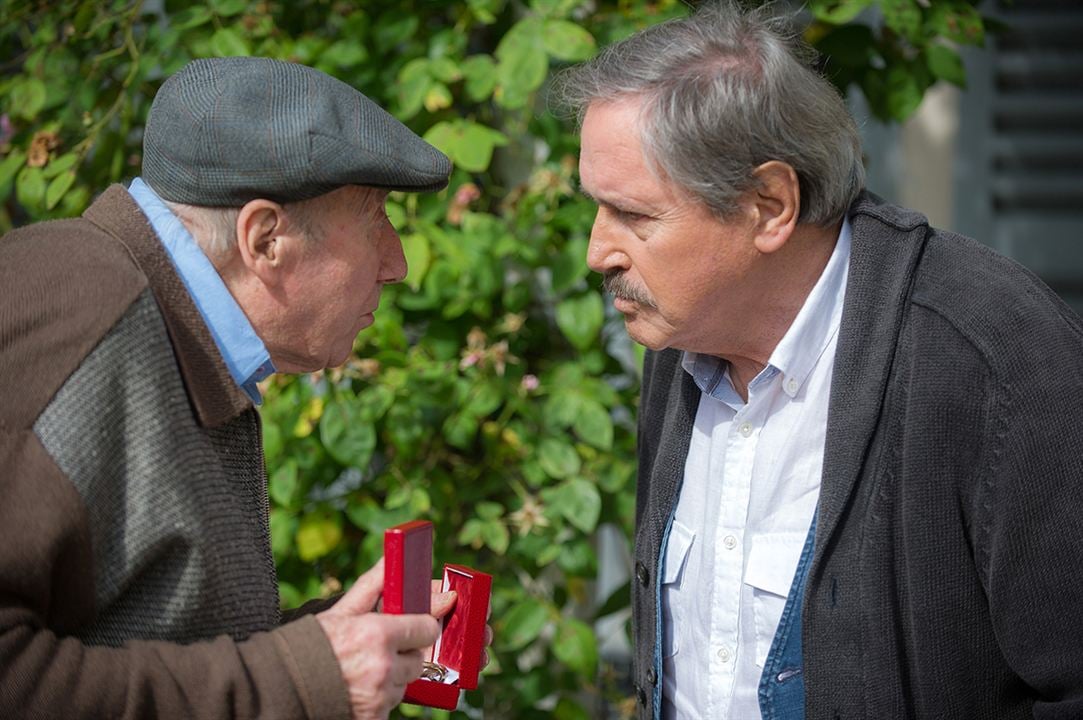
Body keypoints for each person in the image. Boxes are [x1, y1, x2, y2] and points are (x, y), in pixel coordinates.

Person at [558, 2, 1083, 719]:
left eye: (635, 216)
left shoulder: (990, 355)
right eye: (595, 208)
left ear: (769, 204)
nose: (596, 252)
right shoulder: (681, 334)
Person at [0, 57, 472, 720]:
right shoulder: (76, 332)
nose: (395, 264)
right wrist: (292, 680)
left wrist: (327, 642)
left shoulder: (173, 327)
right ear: (265, 238)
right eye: (375, 219)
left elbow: (127, 632)